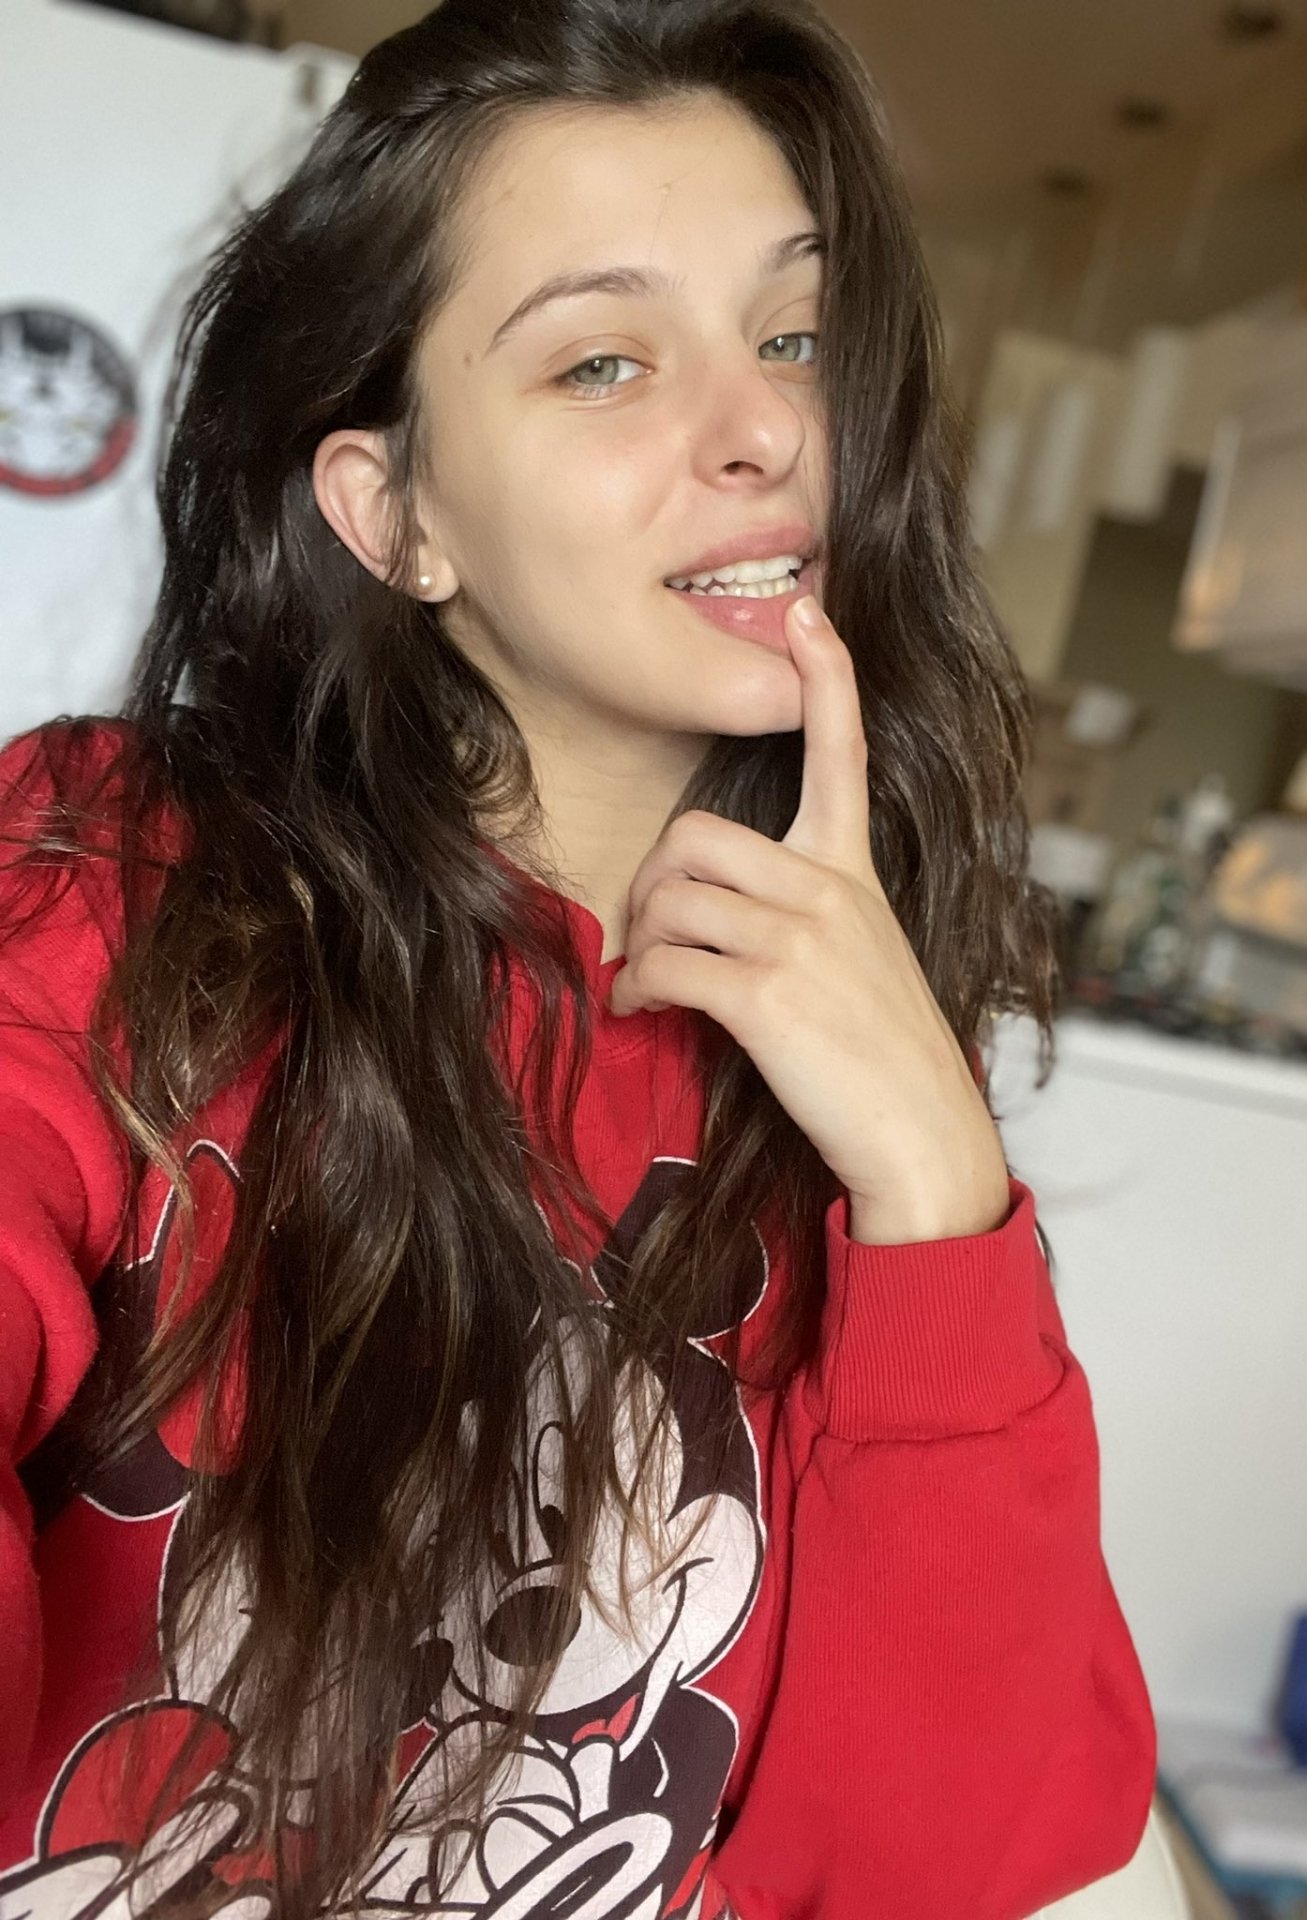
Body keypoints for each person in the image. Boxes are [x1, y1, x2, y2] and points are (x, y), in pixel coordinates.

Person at [0, 1, 1157, 1915]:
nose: (768, 430)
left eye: (794, 336)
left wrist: (937, 1193)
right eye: (605, 361)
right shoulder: (107, 878)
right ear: (394, 514)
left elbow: (938, 1862)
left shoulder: (854, 1056)